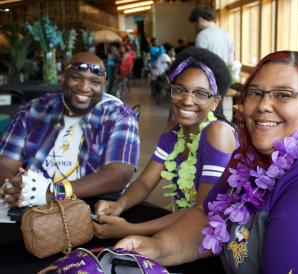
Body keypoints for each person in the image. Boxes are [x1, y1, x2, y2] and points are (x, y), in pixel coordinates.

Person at [113, 51, 298, 273]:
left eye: (283, 94)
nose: (264, 105)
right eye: (255, 93)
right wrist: (157, 247)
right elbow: (208, 217)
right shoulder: (250, 158)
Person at [93, 47, 237, 239]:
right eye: (180, 90)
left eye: (200, 93)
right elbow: (145, 183)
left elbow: (203, 211)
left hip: (218, 239)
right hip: (185, 228)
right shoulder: (173, 130)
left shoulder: (218, 133)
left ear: (215, 102)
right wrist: (119, 205)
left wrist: (129, 230)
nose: (187, 100)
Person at [0, 52, 139, 208]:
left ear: (103, 86)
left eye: (95, 81)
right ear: (63, 78)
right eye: (76, 78)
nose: (84, 87)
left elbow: (119, 175)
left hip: (90, 210)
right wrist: (9, 186)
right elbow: (5, 164)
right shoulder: (33, 111)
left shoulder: (119, 116)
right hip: (31, 210)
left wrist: (52, 192)